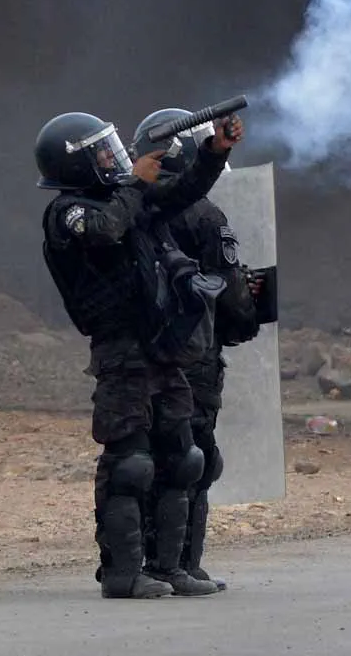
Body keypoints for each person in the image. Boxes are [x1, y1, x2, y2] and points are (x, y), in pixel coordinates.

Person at [37, 108, 242, 599]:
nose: (114, 157)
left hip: (160, 347)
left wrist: (215, 152)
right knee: (130, 462)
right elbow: (105, 230)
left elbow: (182, 193)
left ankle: (169, 566)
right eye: (101, 152)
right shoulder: (69, 211)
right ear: (77, 164)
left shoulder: (128, 199)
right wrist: (133, 184)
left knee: (182, 457)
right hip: (121, 350)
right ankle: (122, 572)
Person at [128, 108, 264, 594]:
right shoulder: (205, 214)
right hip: (195, 354)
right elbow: (230, 295)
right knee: (193, 457)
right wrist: (249, 310)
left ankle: (141, 563)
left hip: (142, 352)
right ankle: (181, 565)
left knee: (144, 455)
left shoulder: (133, 204)